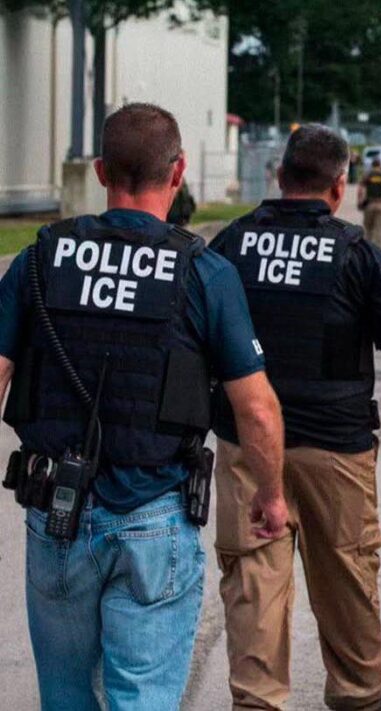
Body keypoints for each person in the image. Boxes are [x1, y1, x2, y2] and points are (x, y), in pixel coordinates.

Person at [0, 102, 287, 710]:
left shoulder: (39, 259)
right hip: (153, 515)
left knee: (67, 697)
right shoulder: (203, 272)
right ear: (178, 172)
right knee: (143, 699)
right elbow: (256, 409)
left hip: (55, 512)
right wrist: (270, 494)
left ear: (102, 171)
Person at [208, 124, 381, 711]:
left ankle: (257, 701)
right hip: (335, 447)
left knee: (254, 581)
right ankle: (358, 696)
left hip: (247, 443)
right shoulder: (355, 253)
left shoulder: (231, 243)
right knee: (346, 573)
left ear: (280, 176)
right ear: (340, 185)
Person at [358, 158, 381, 248]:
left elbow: (360, 189)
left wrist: (360, 201)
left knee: (368, 230)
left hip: (369, 205)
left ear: (372, 165)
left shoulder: (367, 175)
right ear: (380, 165)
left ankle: (367, 251)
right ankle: (378, 252)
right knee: (379, 231)